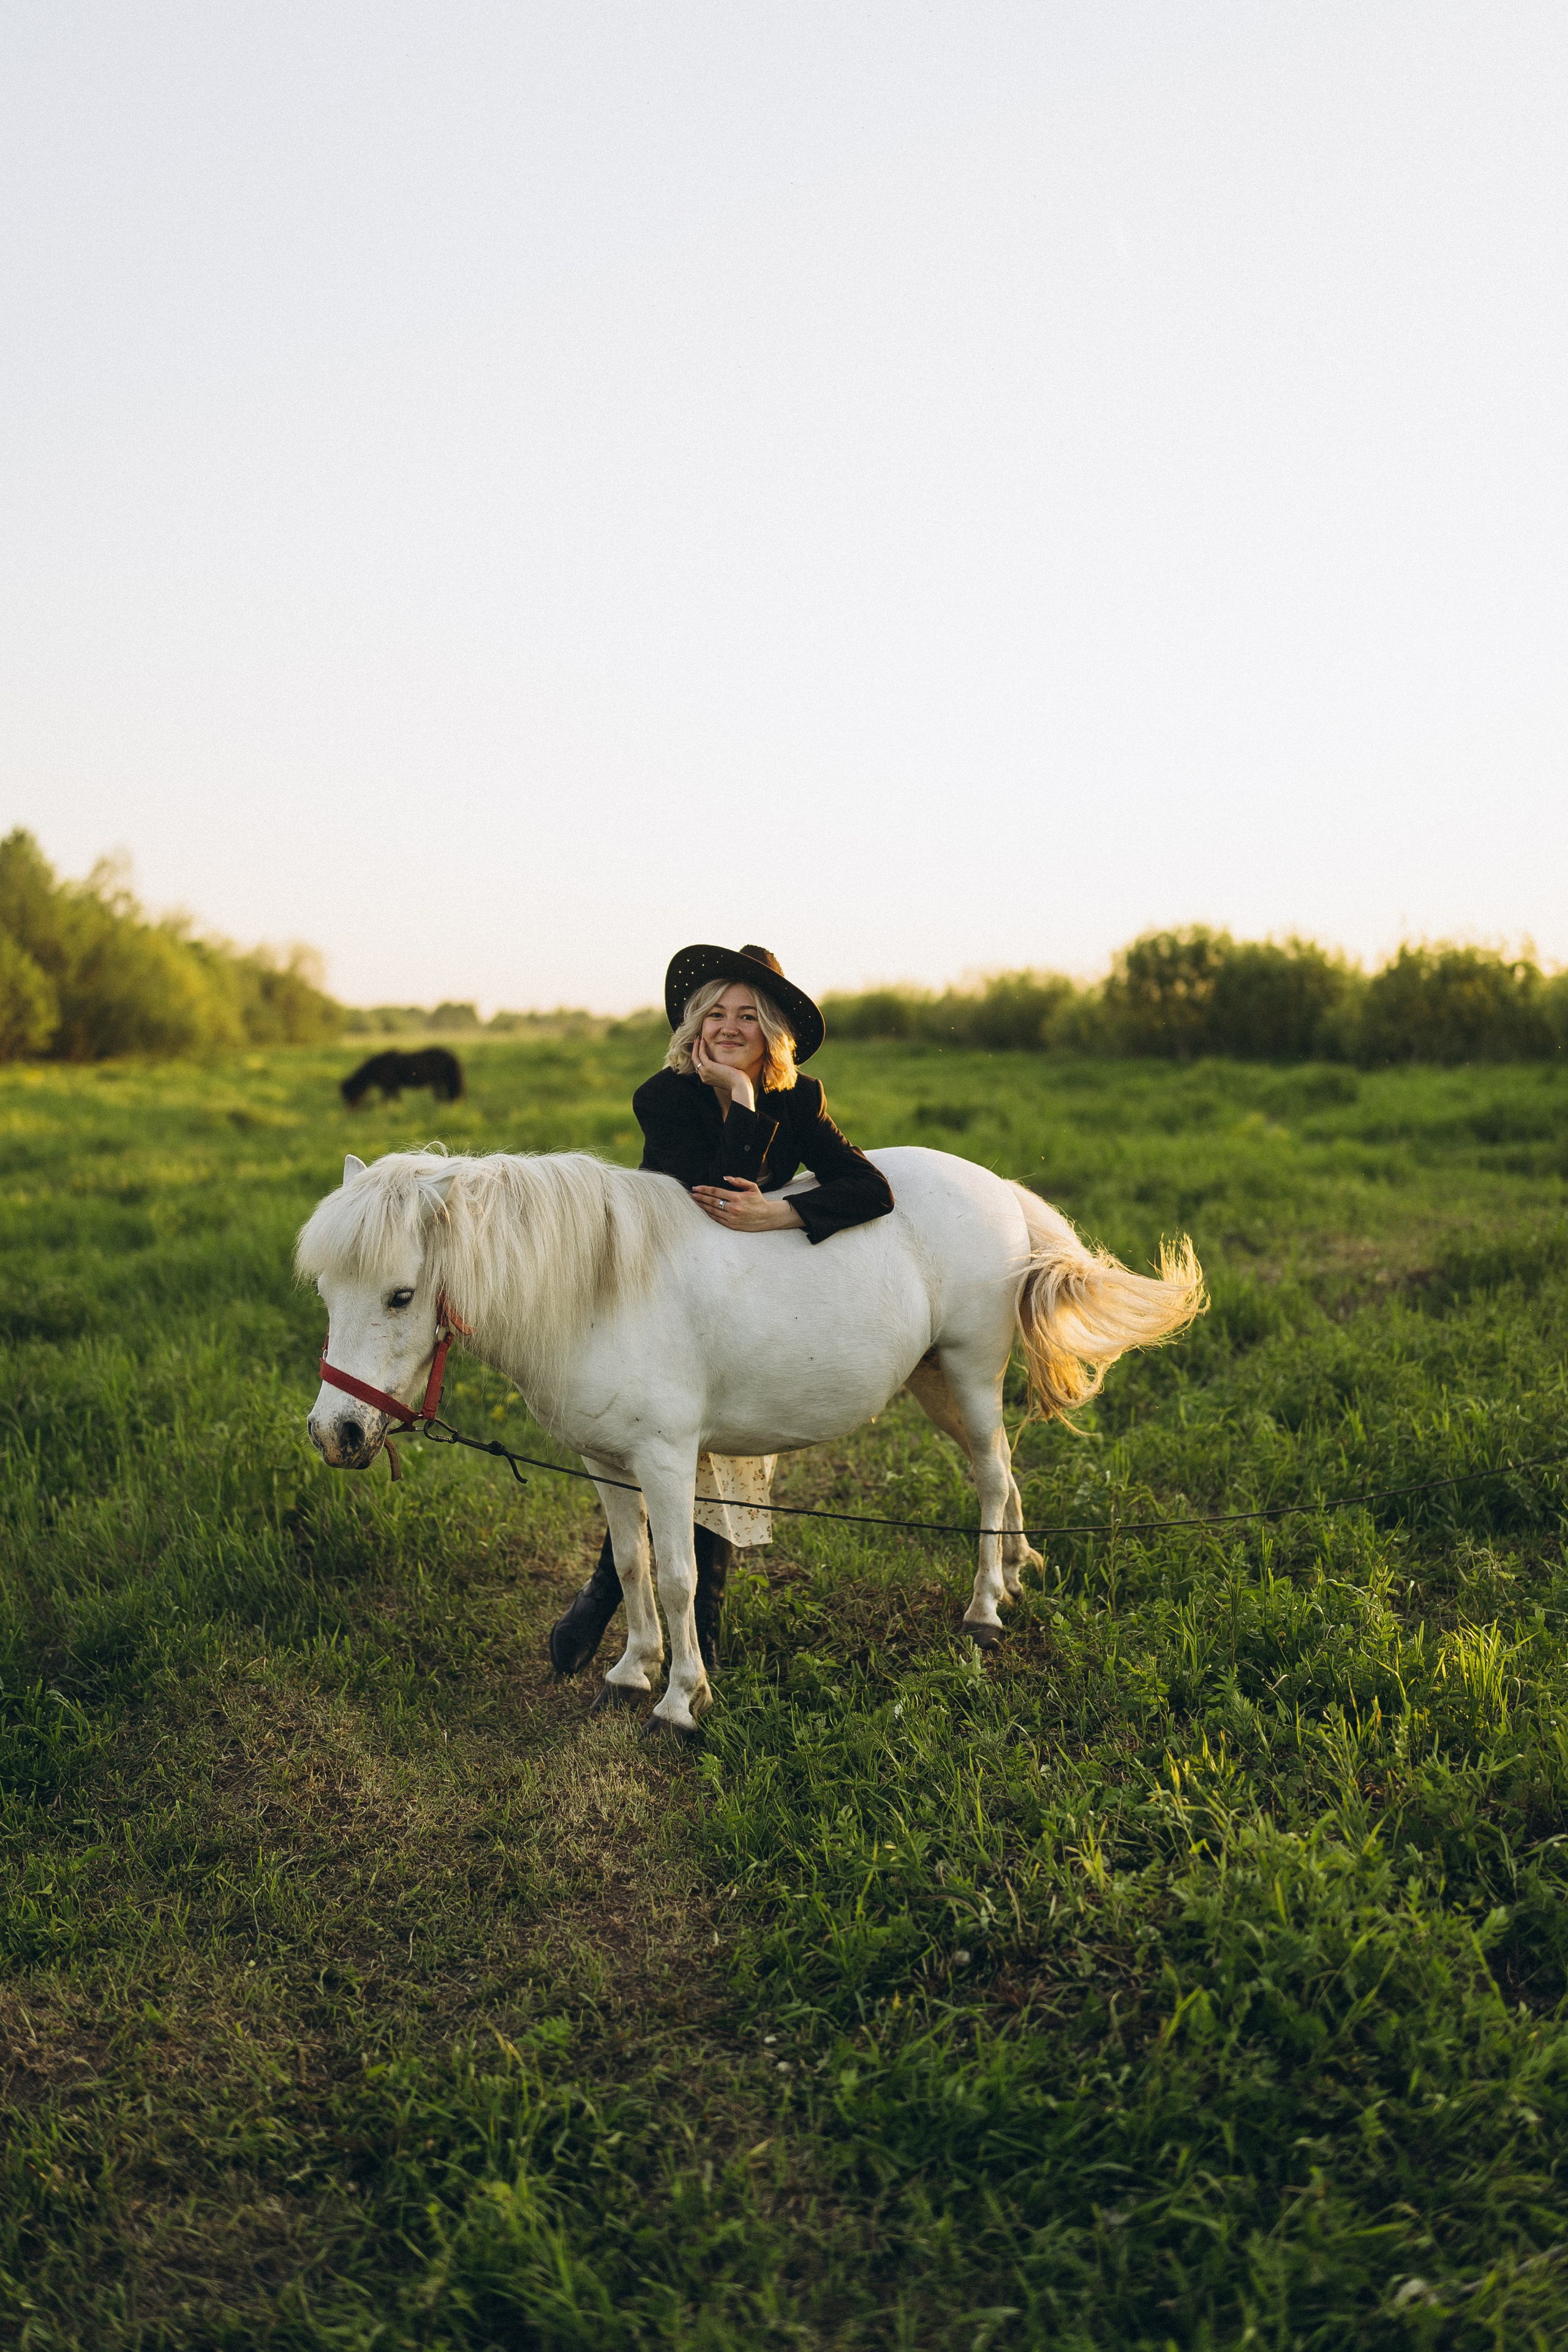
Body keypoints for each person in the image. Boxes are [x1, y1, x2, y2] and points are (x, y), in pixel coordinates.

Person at [549, 943, 895, 1679]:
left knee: (729, 1456)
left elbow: (870, 1189)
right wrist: (737, 1102)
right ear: (694, 1025)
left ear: (772, 1031)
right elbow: (704, 1203)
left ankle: (700, 1619)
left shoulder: (798, 1096)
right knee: (651, 1447)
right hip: (657, 1283)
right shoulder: (663, 1096)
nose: (728, 1025)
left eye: (747, 1015)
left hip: (747, 1293)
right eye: (715, 1012)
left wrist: (782, 1215)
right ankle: (610, 1590)